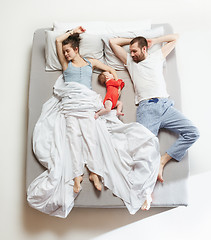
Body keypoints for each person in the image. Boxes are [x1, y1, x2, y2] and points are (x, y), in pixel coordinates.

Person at [109, 33, 200, 183]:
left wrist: (155, 41)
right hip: (147, 108)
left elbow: (176, 37)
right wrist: (132, 42)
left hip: (165, 106)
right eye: (130, 51)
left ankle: (162, 161)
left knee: (193, 133)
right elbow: (113, 42)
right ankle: (145, 190)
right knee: (142, 151)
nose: (131, 54)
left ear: (144, 49)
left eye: (135, 51)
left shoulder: (157, 57)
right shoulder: (130, 62)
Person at [56, 26, 119, 193]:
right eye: (64, 52)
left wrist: (116, 86)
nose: (66, 54)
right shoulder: (66, 65)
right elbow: (57, 40)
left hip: (86, 104)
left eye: (68, 51)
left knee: (90, 138)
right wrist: (72, 31)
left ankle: (93, 172)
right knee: (73, 138)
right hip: (71, 104)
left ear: (76, 49)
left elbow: (111, 70)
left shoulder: (91, 62)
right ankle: (77, 175)